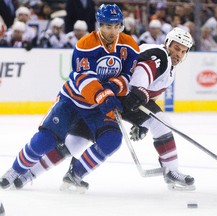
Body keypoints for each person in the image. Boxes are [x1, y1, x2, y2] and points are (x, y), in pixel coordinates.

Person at [4, 27, 195, 192]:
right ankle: (171, 170)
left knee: (77, 141)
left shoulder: (170, 67)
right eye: (176, 48)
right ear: (167, 43)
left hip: (112, 98)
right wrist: (139, 93)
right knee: (162, 123)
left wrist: (141, 120)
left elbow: (149, 88)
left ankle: (30, 175)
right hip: (119, 96)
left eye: (183, 51)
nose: (178, 53)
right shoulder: (161, 54)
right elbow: (146, 69)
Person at [0, 4, 139, 190]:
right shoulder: (86, 44)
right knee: (45, 140)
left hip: (97, 108)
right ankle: (16, 170)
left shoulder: (129, 45)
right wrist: (105, 94)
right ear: (99, 24)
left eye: (116, 26)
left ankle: (75, 174)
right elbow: (84, 78)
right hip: (72, 101)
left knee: (112, 139)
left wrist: (115, 86)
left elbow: (128, 75)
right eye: (108, 26)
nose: (113, 31)